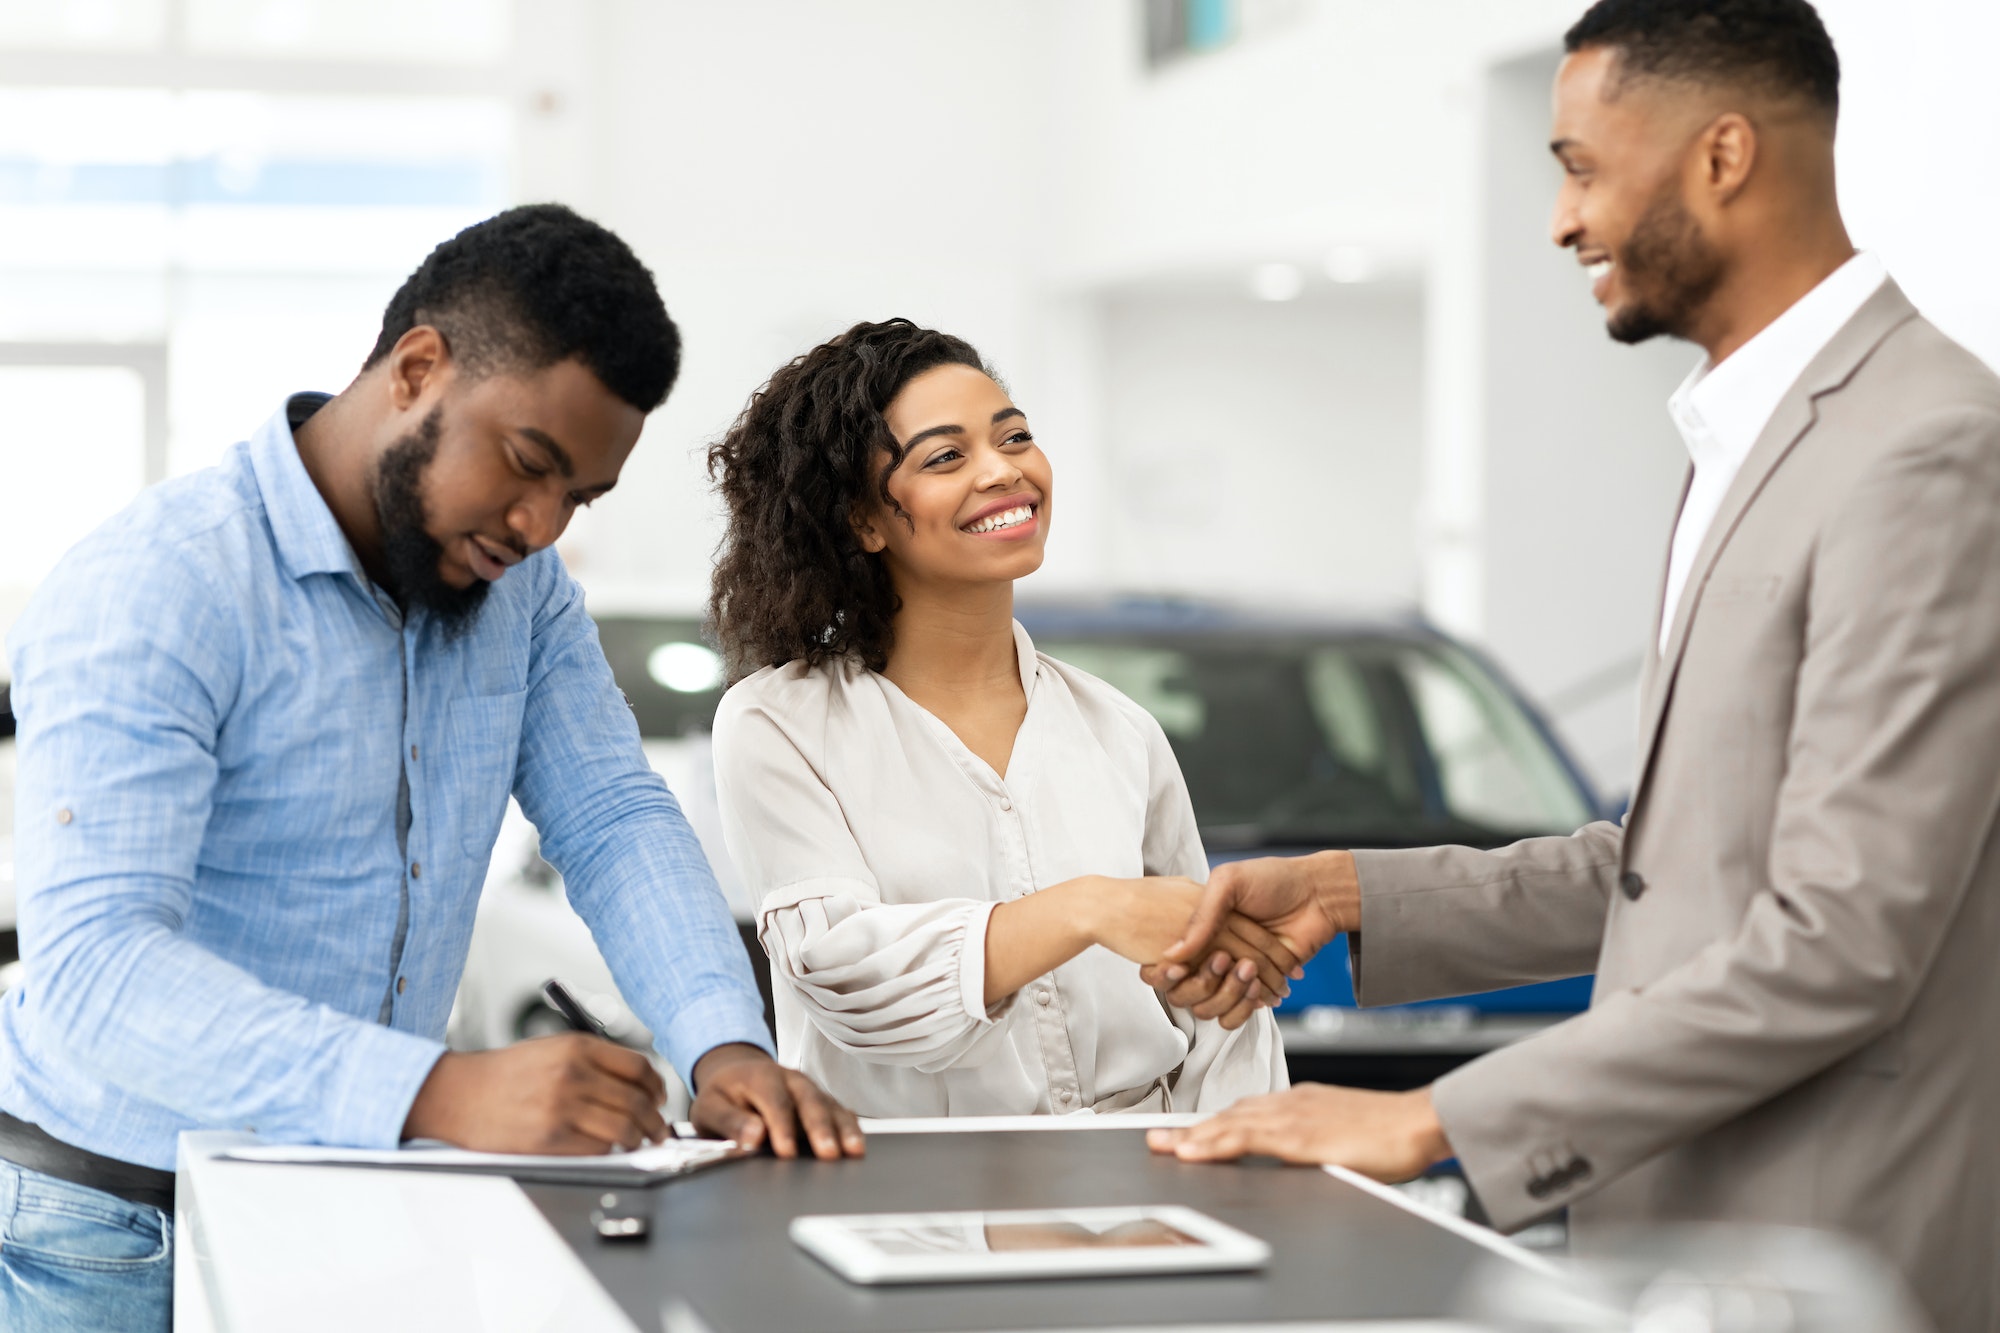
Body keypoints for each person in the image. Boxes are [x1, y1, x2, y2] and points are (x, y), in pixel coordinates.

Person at [1145, 2, 2000, 1327]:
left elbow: (1842, 938)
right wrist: (1351, 889)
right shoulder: (1755, 439)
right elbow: (1678, 866)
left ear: (1722, 157)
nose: (1560, 220)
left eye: (1582, 166)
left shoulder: (1925, 448)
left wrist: (1429, 1120)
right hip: (1687, 1240)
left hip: (1831, 1244)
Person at [0, 204, 861, 1333]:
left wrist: (720, 1035)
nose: (542, 525)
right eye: (528, 464)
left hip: (356, 1197)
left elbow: (607, 813)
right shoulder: (161, 584)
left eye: (578, 497)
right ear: (416, 368)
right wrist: (437, 1090)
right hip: (111, 1227)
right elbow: (96, 968)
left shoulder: (522, 593)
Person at [705, 319, 1297, 1120]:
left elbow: (1225, 1021)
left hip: (1147, 1190)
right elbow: (848, 981)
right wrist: (1090, 908)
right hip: (911, 1210)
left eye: (1014, 437)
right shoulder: (778, 725)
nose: (1003, 470)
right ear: (862, 520)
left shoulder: (1120, 730)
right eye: (947, 456)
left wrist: (1239, 1176)